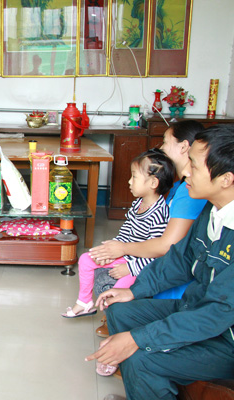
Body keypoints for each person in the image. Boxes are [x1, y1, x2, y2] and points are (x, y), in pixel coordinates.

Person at [87, 125, 234, 400]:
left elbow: (218, 312)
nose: (186, 172)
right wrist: (134, 290)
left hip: (226, 339)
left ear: (226, 179)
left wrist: (138, 339)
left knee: (140, 357)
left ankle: (144, 379)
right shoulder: (213, 211)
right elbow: (180, 260)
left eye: (194, 166)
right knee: (120, 310)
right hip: (195, 308)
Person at [90, 120, 207, 337]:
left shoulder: (189, 192)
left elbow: (167, 245)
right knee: (100, 266)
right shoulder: (178, 187)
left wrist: (123, 250)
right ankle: (115, 314)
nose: (161, 148)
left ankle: (117, 316)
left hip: (171, 279)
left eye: (165, 142)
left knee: (108, 276)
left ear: (183, 146)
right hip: (159, 265)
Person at [62, 148, 174, 316]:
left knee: (116, 291)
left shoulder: (159, 213)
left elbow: (156, 254)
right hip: (125, 254)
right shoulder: (138, 204)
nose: (129, 181)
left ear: (153, 183)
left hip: (139, 263)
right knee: (85, 259)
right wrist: (110, 252)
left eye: (134, 177)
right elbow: (125, 232)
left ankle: (112, 320)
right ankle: (84, 302)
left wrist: (130, 268)